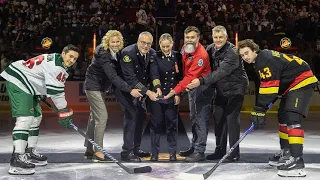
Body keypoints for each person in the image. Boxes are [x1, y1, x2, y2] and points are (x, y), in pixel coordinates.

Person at [237, 39, 318, 177]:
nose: (245, 57)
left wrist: (259, 109)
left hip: (302, 81)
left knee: (292, 117)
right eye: (242, 56)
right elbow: (274, 85)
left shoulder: (264, 61)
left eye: (246, 53)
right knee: (282, 116)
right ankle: (286, 152)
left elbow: (269, 88)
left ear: (254, 50)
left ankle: (297, 159)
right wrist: (261, 108)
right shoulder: (262, 59)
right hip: (290, 86)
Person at [0, 44, 79, 175]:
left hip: (28, 84)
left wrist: (39, 93)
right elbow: (57, 93)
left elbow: (41, 76)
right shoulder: (56, 67)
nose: (72, 60)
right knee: (25, 119)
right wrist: (63, 111)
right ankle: (17, 158)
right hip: (19, 81)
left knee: (36, 117)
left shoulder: (57, 61)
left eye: (75, 59)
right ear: (63, 53)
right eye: (70, 56)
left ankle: (29, 152)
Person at [187, 25, 249, 161]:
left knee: (231, 120)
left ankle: (234, 153)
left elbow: (219, 73)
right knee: (218, 119)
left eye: (221, 37)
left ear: (226, 37)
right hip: (221, 90)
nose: (218, 40)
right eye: (216, 37)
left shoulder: (233, 52)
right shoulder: (211, 48)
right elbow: (201, 59)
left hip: (236, 90)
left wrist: (200, 81)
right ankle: (220, 150)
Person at [83, 30, 143, 162]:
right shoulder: (102, 52)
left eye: (117, 42)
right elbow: (112, 76)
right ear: (107, 42)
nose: (115, 44)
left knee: (94, 118)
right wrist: (130, 90)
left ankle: (88, 150)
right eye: (112, 42)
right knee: (102, 117)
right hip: (93, 86)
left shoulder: (117, 53)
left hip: (101, 87)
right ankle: (98, 153)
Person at [163, 26, 214, 162]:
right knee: (193, 118)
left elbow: (191, 76)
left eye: (192, 37)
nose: (189, 40)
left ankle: (200, 151)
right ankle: (194, 146)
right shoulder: (185, 49)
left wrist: (175, 90)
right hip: (192, 88)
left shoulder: (201, 55)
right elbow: (183, 70)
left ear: (198, 38)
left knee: (201, 120)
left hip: (202, 89)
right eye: (187, 37)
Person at [119, 31, 159, 162]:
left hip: (141, 91)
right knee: (131, 117)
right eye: (143, 43)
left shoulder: (152, 53)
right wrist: (147, 92)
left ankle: (136, 149)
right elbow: (130, 78)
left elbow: (153, 73)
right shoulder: (127, 53)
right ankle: (127, 152)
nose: (145, 46)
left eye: (148, 43)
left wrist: (157, 87)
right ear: (138, 41)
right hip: (126, 90)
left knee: (141, 116)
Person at [149, 33, 183, 161]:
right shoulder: (155, 56)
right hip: (158, 95)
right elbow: (154, 74)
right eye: (163, 47)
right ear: (159, 45)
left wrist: (177, 93)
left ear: (172, 44)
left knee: (172, 125)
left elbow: (180, 77)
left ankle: (172, 153)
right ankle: (154, 153)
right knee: (156, 124)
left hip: (172, 94)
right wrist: (157, 88)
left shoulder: (178, 56)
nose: (165, 49)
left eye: (168, 46)